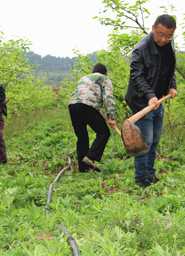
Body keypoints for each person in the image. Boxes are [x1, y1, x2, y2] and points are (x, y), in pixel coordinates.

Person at [125, 14, 178, 189]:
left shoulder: (169, 45)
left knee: (154, 140)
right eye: (161, 34)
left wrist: (172, 85)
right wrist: (149, 96)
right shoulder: (141, 49)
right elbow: (137, 76)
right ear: (153, 28)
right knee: (145, 140)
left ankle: (150, 174)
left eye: (169, 36)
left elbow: (169, 69)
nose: (164, 39)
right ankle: (141, 179)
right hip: (142, 102)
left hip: (158, 100)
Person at [68, 63, 117, 172]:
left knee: (82, 137)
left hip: (73, 105)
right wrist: (111, 117)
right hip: (87, 105)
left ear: (93, 71)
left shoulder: (83, 78)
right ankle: (90, 157)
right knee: (104, 133)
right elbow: (108, 98)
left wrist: (75, 124)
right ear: (106, 73)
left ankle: (83, 167)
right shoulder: (104, 78)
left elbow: (77, 95)